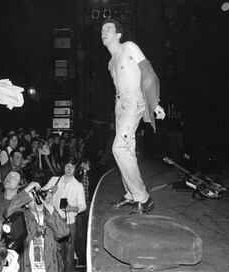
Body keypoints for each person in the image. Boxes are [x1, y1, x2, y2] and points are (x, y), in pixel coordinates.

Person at [101, 19, 165, 214]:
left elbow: (148, 71)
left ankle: (143, 198)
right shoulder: (111, 62)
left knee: (118, 147)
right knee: (127, 148)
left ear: (118, 35)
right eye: (102, 29)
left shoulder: (128, 47)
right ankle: (130, 193)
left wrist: (154, 103)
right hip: (120, 105)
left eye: (108, 29)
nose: (103, 32)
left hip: (134, 100)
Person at [50, 159, 86, 272]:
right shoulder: (55, 180)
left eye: (72, 167)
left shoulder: (78, 186)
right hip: (54, 222)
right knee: (55, 253)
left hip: (69, 223)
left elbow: (83, 206)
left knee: (69, 257)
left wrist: (73, 208)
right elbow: (42, 194)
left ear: (75, 170)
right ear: (63, 167)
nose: (69, 169)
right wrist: (51, 191)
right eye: (67, 166)